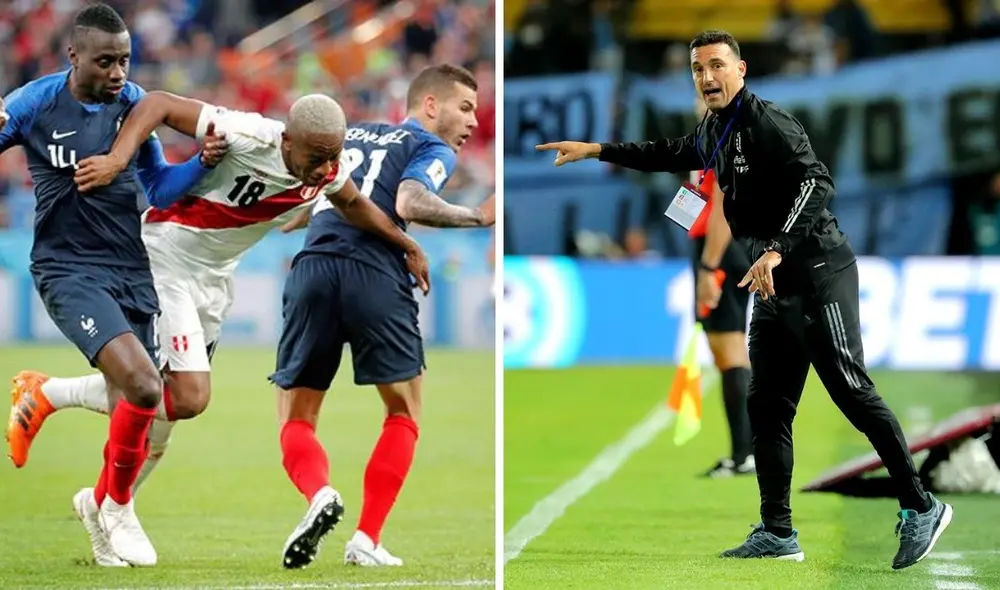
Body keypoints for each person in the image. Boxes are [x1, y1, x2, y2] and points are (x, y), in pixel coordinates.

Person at [534, 29, 951, 571]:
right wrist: (597, 150)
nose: (707, 77)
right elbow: (669, 153)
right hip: (771, 282)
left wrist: (776, 249)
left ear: (741, 69)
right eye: (697, 69)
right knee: (768, 406)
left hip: (817, 271)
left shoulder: (767, 122)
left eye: (716, 66)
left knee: (852, 392)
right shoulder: (714, 128)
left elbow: (816, 182)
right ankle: (778, 531)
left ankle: (921, 505)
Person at [6, 88, 432, 565]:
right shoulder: (248, 132)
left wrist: (405, 244)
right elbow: (158, 105)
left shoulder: (327, 169)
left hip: (212, 278)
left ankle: (63, 428)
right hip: (165, 255)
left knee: (162, 416)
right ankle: (108, 499)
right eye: (315, 158)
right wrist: (116, 158)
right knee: (186, 396)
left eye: (331, 159)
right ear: (288, 140)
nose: (322, 170)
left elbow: (353, 204)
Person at [0, 3, 226, 568]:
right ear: (73, 56)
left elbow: (158, 186)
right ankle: (120, 508)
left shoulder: (132, 105)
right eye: (106, 61)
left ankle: (97, 518)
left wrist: (199, 164)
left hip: (131, 269)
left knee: (149, 400)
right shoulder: (34, 104)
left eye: (125, 60)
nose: (119, 73)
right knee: (146, 388)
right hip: (68, 270)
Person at [269, 63, 495, 570]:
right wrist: (479, 216)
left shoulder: (355, 132)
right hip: (375, 274)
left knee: (295, 415)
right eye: (465, 108)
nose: (472, 123)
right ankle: (366, 538)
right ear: (429, 105)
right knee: (403, 411)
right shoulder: (429, 147)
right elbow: (409, 200)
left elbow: (332, 190)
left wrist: (298, 216)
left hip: (313, 269)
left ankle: (320, 494)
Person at [687, 97, 755, 479]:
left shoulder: (728, 141)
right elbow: (696, 195)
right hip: (711, 250)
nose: (699, 101)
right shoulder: (706, 140)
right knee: (725, 351)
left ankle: (744, 455)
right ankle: (743, 453)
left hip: (721, 251)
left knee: (730, 352)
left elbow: (723, 207)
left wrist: (709, 266)